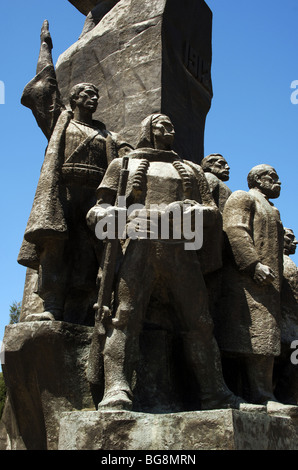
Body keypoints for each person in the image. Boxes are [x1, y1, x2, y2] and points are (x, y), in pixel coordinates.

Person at [86, 113, 244, 411]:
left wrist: (193, 210)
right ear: (148, 130)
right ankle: (116, 388)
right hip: (138, 247)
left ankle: (214, 391)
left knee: (200, 322)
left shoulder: (191, 169)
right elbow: (97, 210)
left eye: (172, 125)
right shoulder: (123, 164)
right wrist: (107, 215)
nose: (169, 130)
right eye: (163, 125)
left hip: (182, 250)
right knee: (124, 318)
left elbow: (213, 213)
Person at [18, 20, 132, 324]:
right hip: (64, 192)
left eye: (96, 94)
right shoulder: (60, 121)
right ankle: (52, 305)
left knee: (89, 254)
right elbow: (46, 86)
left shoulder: (108, 135)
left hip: (95, 198)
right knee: (56, 248)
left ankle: (91, 309)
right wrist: (45, 47)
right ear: (74, 99)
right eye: (87, 93)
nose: (93, 97)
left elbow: (129, 155)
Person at [218, 164, 286, 408]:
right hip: (246, 281)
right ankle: (258, 393)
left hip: (268, 286)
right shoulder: (242, 197)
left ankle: (263, 393)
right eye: (273, 177)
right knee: (249, 337)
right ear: (258, 179)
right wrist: (253, 265)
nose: (279, 183)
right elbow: (235, 230)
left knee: (266, 337)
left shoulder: (273, 209)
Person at [274, 228, 298, 405]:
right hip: (282, 327)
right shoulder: (277, 261)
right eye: (290, 238)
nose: (295, 242)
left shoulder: (288, 262)